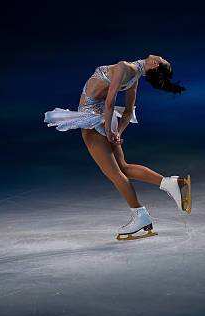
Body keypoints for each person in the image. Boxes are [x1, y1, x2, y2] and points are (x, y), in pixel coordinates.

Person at [44, 55, 191, 240]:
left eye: (161, 58)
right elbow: (128, 111)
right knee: (123, 168)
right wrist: (117, 132)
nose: (159, 56)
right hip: (106, 119)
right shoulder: (134, 78)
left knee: (114, 173)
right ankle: (170, 183)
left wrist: (108, 130)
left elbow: (110, 101)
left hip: (93, 121)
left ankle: (140, 215)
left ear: (154, 64)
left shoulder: (124, 67)